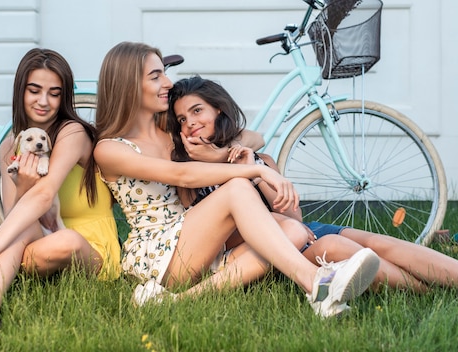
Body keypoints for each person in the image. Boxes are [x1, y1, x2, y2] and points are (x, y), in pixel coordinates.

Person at [166, 74, 458, 320]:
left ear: (218, 109)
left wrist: (252, 163)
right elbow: (223, 237)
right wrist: (220, 160)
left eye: (197, 111)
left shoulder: (257, 158)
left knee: (379, 243)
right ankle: (449, 286)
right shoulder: (191, 175)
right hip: (283, 250)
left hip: (303, 231)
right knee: (343, 246)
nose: (191, 123)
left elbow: (295, 216)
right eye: (182, 119)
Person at [93, 41, 381, 318]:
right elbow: (181, 174)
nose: (168, 83)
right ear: (127, 85)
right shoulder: (110, 149)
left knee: (292, 231)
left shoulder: (172, 133)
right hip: (158, 256)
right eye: (156, 76)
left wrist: (225, 152)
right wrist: (257, 170)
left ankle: (177, 301)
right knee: (237, 189)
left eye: (164, 74)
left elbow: (251, 137)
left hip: (197, 241)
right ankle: (315, 282)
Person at [0, 48, 122, 339]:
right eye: (34, 90)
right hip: (36, 240)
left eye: (54, 93)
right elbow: (13, 218)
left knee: (60, 240)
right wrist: (23, 185)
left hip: (87, 244)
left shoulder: (72, 133)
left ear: (64, 97)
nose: (43, 101)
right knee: (29, 233)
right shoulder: (11, 143)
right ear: (20, 91)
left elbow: (43, 197)